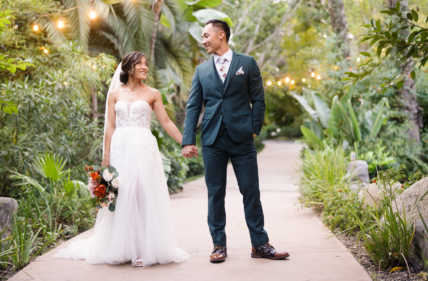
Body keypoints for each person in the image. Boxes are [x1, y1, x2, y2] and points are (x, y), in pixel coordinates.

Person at [54, 51, 189, 268]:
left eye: (146, 64)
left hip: (143, 148)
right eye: (140, 64)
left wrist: (185, 142)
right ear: (128, 68)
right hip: (120, 147)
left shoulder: (153, 93)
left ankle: (144, 250)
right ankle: (123, 247)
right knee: (121, 196)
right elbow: (110, 126)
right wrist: (105, 157)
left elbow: (166, 122)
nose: (145, 67)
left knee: (142, 195)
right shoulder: (115, 94)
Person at [181, 19, 290, 263]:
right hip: (212, 138)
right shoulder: (201, 71)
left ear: (222, 35)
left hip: (241, 138)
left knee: (251, 190)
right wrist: (188, 140)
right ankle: (218, 245)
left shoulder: (247, 63)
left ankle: (260, 244)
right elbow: (193, 107)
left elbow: (258, 98)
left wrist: (254, 127)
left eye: (206, 35)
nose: (203, 40)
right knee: (215, 193)